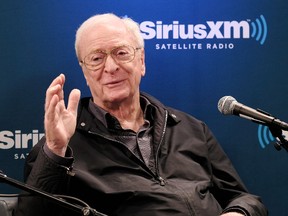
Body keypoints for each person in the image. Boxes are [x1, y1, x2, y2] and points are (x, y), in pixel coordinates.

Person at [15, 13, 267, 216]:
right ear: (84, 72)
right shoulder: (62, 144)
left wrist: (238, 212)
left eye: (121, 53)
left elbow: (244, 198)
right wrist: (55, 149)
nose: (111, 67)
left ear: (142, 61)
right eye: (96, 58)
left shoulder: (190, 128)